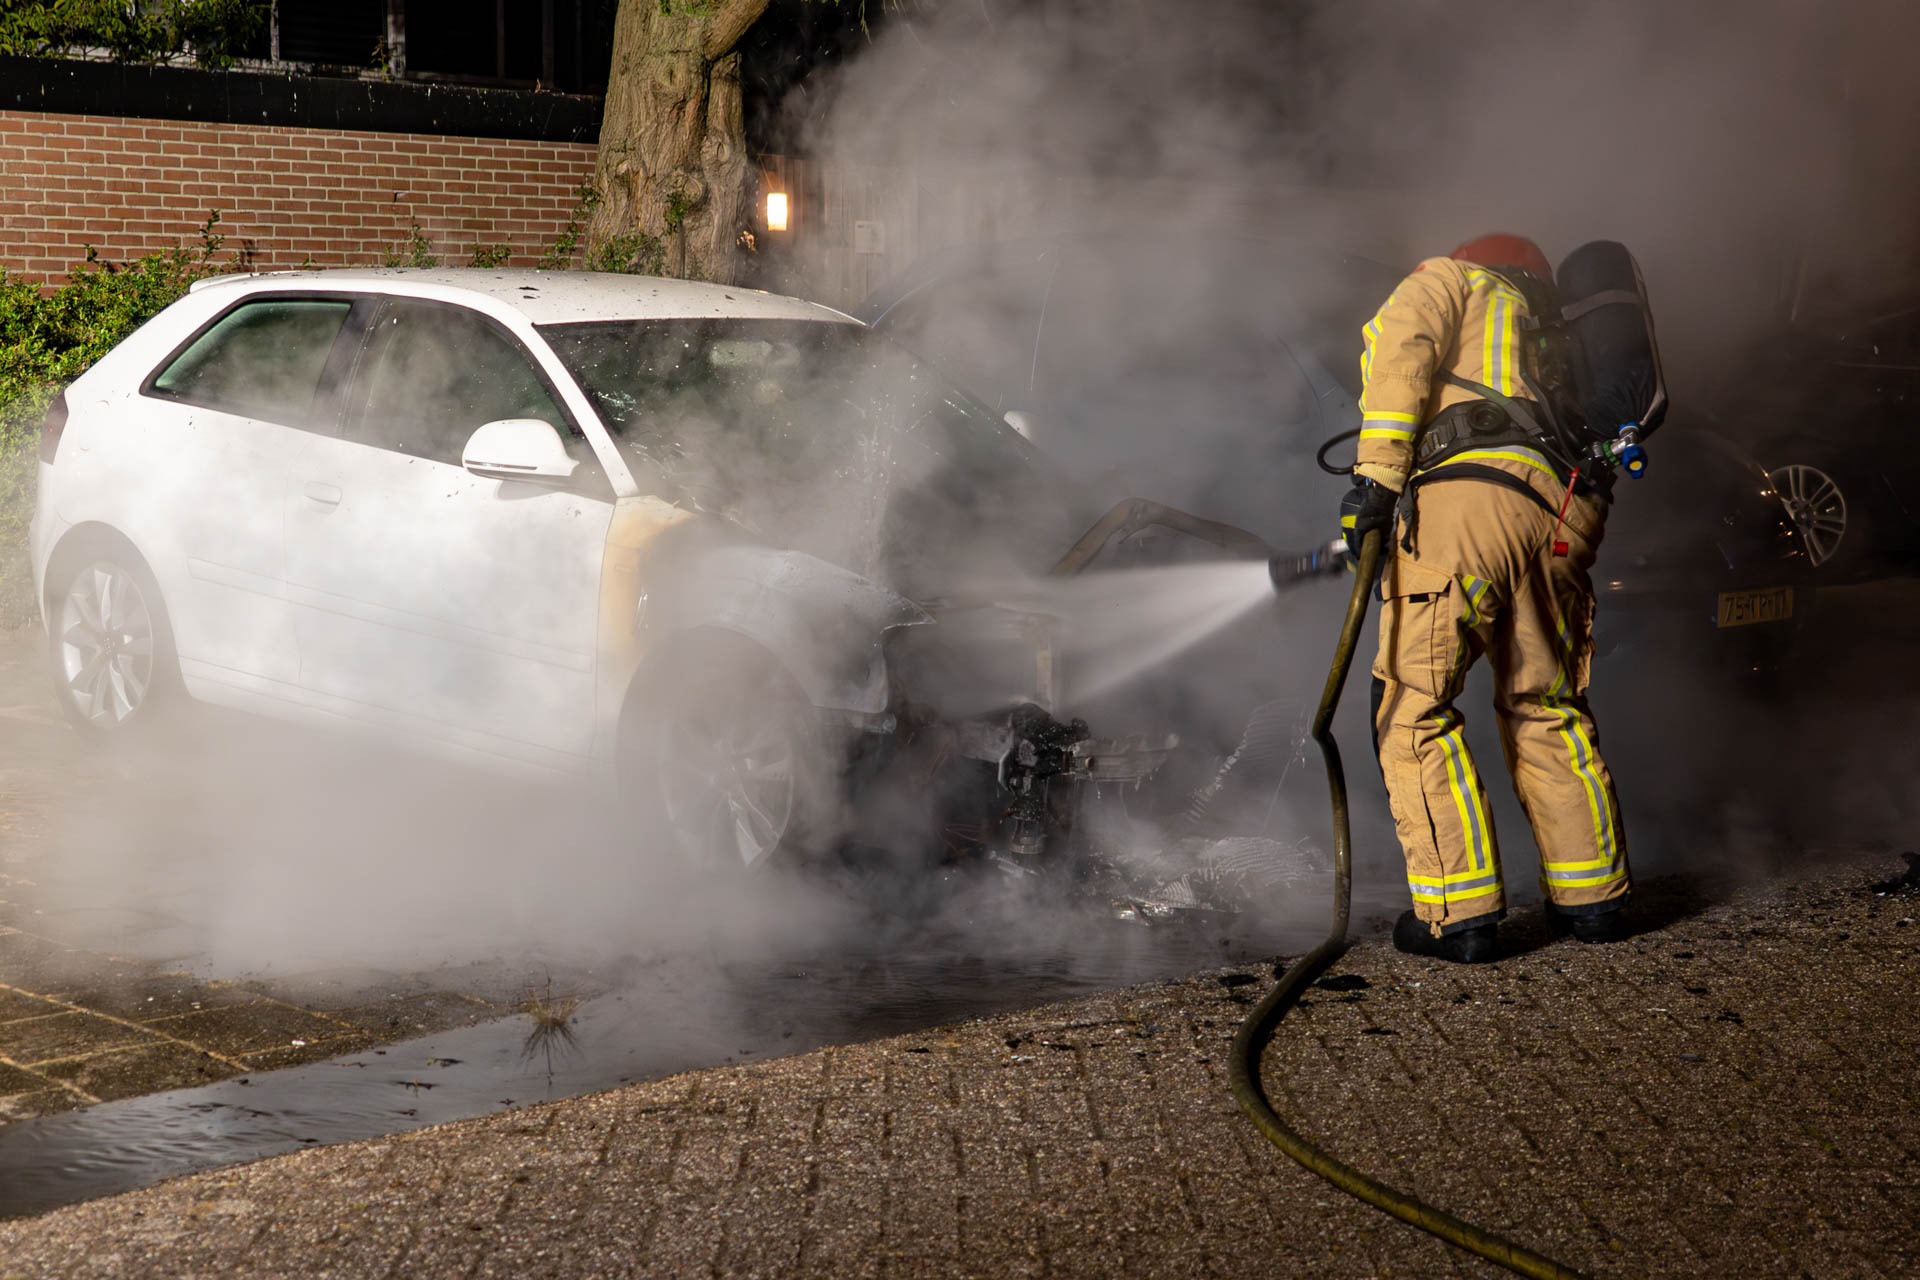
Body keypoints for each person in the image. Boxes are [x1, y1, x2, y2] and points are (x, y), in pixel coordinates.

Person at [1343, 233, 1631, 964]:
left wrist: (1376, 481)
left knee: (1415, 706)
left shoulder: (1450, 279)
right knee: (1548, 702)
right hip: (1564, 517)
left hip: (1470, 505)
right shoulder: (1554, 331)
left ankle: (1457, 913)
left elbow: (1402, 348)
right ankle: (1593, 900)